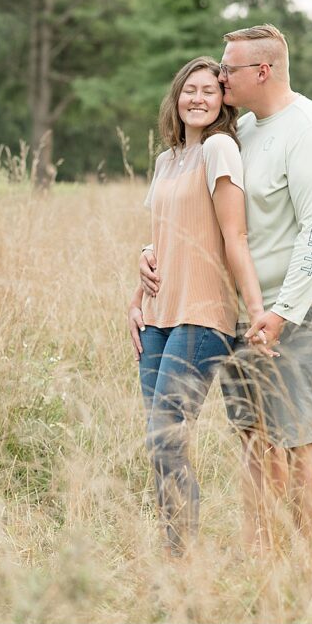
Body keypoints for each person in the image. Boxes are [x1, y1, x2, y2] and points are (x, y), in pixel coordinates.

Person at [140, 24, 312, 557]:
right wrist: (150, 256)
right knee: (254, 439)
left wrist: (283, 310)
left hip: (310, 307)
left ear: (262, 70)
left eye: (227, 69)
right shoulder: (246, 131)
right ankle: (263, 557)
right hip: (247, 313)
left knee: (301, 439)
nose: (218, 77)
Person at [127, 56, 275, 559]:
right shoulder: (167, 160)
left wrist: (254, 309)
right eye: (189, 89)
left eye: (209, 90)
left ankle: (182, 555)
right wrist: (136, 297)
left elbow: (235, 235)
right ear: (176, 96)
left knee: (167, 437)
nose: (198, 98)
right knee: (158, 441)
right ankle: (175, 551)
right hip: (158, 319)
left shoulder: (219, 148)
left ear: (222, 101)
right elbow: (159, 239)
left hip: (202, 314)